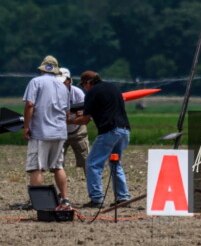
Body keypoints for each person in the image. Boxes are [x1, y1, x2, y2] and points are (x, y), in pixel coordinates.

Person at [67, 71, 131, 208]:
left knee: (92, 163)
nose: (84, 88)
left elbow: (85, 120)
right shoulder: (113, 87)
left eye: (84, 85)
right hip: (124, 130)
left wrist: (68, 121)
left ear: (88, 82)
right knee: (115, 164)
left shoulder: (92, 92)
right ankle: (123, 197)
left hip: (109, 131)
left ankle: (96, 198)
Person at [21, 55, 71, 209]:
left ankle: (36, 201)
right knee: (58, 166)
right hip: (60, 132)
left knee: (37, 167)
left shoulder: (35, 82)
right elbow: (67, 113)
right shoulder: (63, 86)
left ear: (42, 68)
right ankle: (64, 199)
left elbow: (30, 105)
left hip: (41, 132)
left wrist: (26, 127)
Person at [56, 67, 90, 178]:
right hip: (60, 132)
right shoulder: (53, 94)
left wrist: (82, 113)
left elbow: (87, 112)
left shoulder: (78, 93)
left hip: (78, 131)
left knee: (87, 161)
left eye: (63, 82)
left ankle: (93, 188)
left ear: (69, 80)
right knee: (57, 164)